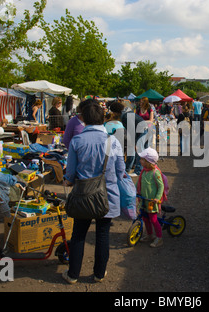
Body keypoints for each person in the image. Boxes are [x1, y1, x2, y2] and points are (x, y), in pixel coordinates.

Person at [62, 102, 125, 284]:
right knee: (103, 234)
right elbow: (120, 172)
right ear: (103, 118)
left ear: (83, 118)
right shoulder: (113, 141)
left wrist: (69, 180)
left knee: (79, 234)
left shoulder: (77, 141)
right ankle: (99, 273)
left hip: (83, 195)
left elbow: (71, 174)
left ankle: (73, 274)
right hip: (108, 195)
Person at [136, 147, 164, 248]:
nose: (140, 161)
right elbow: (138, 183)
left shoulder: (155, 172)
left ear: (148, 162)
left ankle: (159, 237)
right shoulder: (143, 171)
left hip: (152, 202)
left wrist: (157, 197)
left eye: (142, 159)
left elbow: (161, 186)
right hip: (144, 200)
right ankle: (149, 235)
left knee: (153, 219)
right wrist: (134, 190)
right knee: (145, 218)